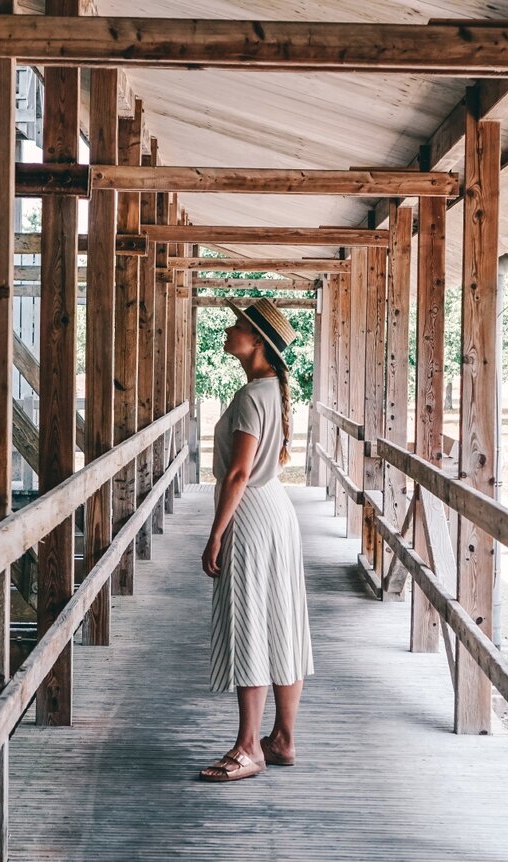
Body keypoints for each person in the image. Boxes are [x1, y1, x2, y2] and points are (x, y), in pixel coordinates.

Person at [198, 298, 314, 783]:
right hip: (277, 512)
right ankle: (283, 739)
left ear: (258, 343)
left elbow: (239, 473)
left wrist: (215, 533)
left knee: (249, 621)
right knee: (281, 621)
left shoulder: (251, 398)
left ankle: (249, 747)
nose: (229, 330)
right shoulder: (270, 391)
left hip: (250, 517)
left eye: (238, 326)